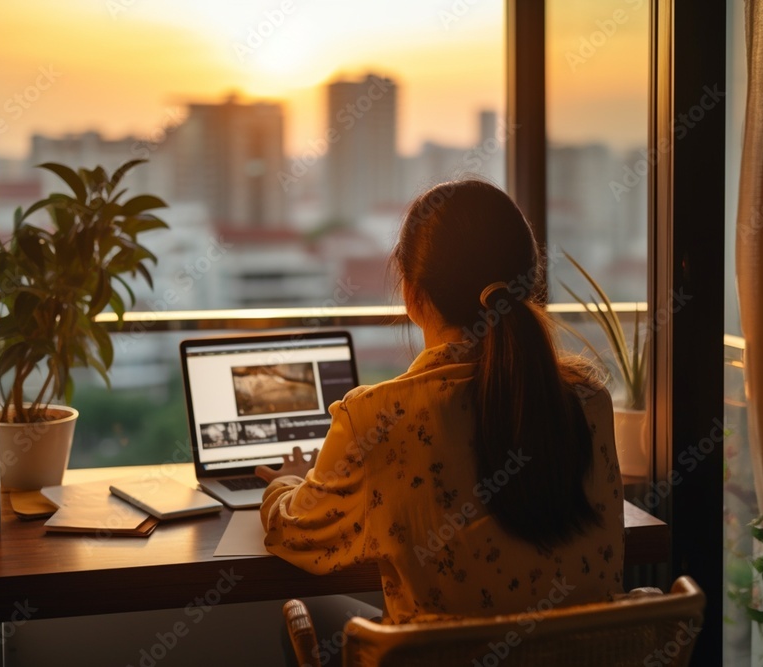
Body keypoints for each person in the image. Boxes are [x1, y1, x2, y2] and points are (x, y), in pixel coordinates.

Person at [256, 179, 624, 663]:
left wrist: (284, 484)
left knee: (314, 612)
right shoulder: (589, 401)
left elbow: (296, 535)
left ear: (411, 293)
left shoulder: (376, 419)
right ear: (528, 283)